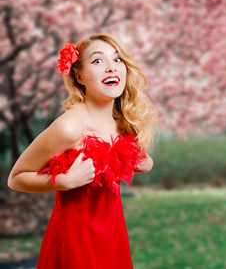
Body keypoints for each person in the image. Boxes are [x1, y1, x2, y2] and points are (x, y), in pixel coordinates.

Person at [7, 33, 158, 269]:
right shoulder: (69, 127)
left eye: (117, 60)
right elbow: (15, 179)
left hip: (113, 236)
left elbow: (119, 163)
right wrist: (62, 181)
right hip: (74, 241)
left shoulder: (124, 122)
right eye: (98, 61)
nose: (111, 68)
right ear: (79, 76)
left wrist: (142, 163)